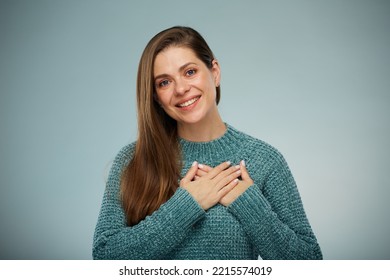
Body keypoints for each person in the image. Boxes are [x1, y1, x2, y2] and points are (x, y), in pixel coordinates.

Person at [93, 26, 323, 260]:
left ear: (215, 72)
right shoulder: (133, 159)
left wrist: (248, 204)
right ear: (155, 97)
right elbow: (104, 257)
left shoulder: (265, 160)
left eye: (190, 72)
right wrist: (187, 204)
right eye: (164, 82)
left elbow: (309, 263)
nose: (181, 89)